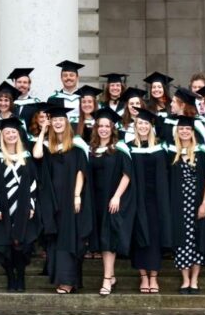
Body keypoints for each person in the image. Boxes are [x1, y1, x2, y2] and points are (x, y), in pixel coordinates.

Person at [33, 105, 91, 294]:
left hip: (69, 200)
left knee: (69, 240)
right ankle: (63, 280)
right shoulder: (48, 149)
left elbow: (81, 173)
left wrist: (76, 195)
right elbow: (36, 154)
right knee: (56, 241)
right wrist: (43, 130)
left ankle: (68, 281)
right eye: (54, 120)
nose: (57, 123)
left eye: (60, 120)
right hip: (52, 201)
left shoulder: (76, 148)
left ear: (66, 123)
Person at [0, 118, 39, 292]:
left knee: (21, 243)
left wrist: (31, 205)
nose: (11, 135)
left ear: (19, 134)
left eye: (13, 132)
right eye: (7, 132)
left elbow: (33, 183)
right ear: (2, 135)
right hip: (3, 204)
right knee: (6, 242)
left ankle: (21, 276)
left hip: (22, 203)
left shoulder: (26, 156)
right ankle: (10, 275)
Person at [86, 108, 134, 296]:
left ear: (112, 128)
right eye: (101, 126)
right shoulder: (91, 149)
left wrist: (116, 196)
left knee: (108, 239)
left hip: (111, 199)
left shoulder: (119, 148)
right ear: (96, 128)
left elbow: (127, 174)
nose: (104, 129)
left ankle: (106, 279)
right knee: (101, 237)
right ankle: (111, 274)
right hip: (95, 200)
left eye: (107, 126)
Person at [167, 116, 205, 294]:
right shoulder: (172, 153)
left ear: (192, 131)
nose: (184, 131)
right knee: (181, 241)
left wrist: (204, 203)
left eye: (187, 129)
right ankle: (185, 280)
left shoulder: (201, 153)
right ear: (177, 131)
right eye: (181, 129)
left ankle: (195, 280)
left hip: (197, 203)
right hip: (178, 206)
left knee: (197, 240)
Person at [127, 110, 171, 295]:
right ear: (135, 127)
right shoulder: (128, 147)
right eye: (139, 124)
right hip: (136, 198)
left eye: (146, 124)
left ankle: (153, 276)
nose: (143, 127)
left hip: (157, 199)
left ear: (151, 126)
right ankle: (143, 276)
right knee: (139, 236)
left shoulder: (161, 147)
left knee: (154, 236)